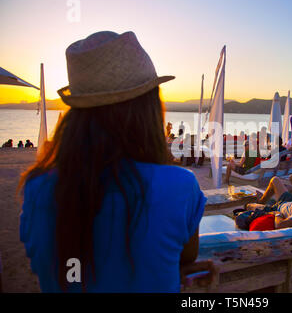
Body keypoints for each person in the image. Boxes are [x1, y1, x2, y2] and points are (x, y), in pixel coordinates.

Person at [18, 31, 216, 292]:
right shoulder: (179, 186)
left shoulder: (37, 188)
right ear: (149, 109)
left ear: (76, 114)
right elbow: (182, 256)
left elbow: (47, 268)